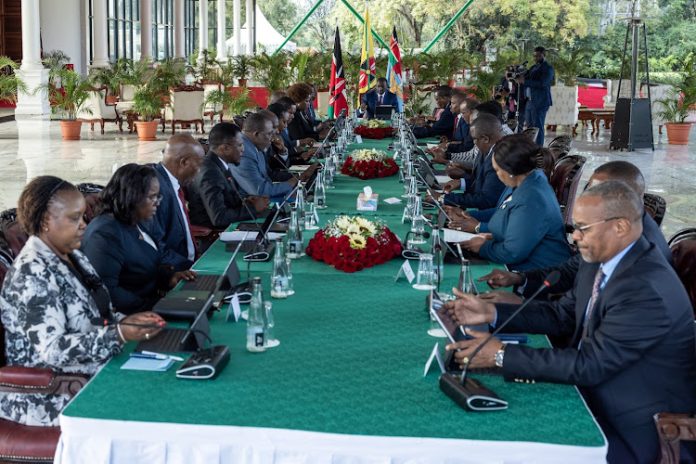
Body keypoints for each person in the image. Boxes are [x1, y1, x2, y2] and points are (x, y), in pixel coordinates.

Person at [444, 180, 696, 463]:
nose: (574, 237)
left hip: (633, 425)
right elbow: (563, 315)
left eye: (582, 228)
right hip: (591, 391)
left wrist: (501, 355)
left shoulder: (646, 291)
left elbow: (591, 365)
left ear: (621, 227)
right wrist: (492, 314)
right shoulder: (600, 258)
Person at [0, 176, 164, 426]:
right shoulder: (32, 273)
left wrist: (130, 323)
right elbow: (53, 350)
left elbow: (98, 314)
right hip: (50, 394)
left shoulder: (74, 255)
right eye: (74, 218)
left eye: (82, 216)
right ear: (45, 221)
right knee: (152, 405)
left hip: (90, 370)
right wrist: (118, 334)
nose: (84, 225)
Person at [478, 160, 674, 303]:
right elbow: (573, 269)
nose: (576, 236)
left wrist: (501, 354)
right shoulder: (608, 228)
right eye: (589, 188)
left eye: (600, 192)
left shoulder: (642, 270)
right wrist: (520, 279)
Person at [82, 164, 196, 315]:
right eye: (152, 197)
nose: (157, 202)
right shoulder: (104, 234)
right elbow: (107, 291)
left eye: (158, 196)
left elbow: (146, 265)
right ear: (132, 196)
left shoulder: (137, 221)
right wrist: (155, 305)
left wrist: (169, 277)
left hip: (152, 304)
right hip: (132, 317)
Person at [456, 134, 570, 271]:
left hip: (538, 272)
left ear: (510, 170)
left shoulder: (531, 198)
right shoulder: (528, 180)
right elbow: (514, 220)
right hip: (520, 261)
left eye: (497, 170)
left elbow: (511, 253)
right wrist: (493, 235)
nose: (497, 174)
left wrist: (483, 247)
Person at [187, 122, 269, 229]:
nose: (243, 149)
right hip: (214, 235)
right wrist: (254, 209)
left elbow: (228, 199)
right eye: (239, 145)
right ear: (225, 148)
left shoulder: (218, 164)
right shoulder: (210, 173)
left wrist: (246, 201)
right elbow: (219, 217)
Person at [144, 134, 205, 271]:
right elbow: (156, 247)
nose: (200, 170)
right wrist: (193, 268)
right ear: (184, 162)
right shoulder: (156, 192)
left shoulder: (174, 182)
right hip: (177, 271)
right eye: (199, 164)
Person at [441, 113, 506, 210]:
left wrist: (443, 198)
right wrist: (461, 183)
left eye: (475, 139)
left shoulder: (499, 158)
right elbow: (480, 182)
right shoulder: (485, 150)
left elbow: (486, 200)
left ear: (485, 139)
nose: (474, 143)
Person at [231, 112, 297, 202]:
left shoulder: (254, 146)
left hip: (264, 198)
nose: (272, 138)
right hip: (251, 206)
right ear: (256, 134)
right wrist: (290, 184)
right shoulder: (244, 152)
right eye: (269, 134)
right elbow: (260, 190)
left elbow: (266, 178)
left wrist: (295, 181)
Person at [517, 46, 554, 145]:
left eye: (538, 56)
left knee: (538, 127)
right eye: (534, 56)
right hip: (529, 101)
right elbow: (526, 77)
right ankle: (530, 147)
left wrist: (525, 81)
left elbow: (543, 83)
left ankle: (538, 149)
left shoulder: (548, 68)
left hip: (540, 101)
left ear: (543, 55)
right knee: (530, 128)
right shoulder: (533, 67)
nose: (536, 58)